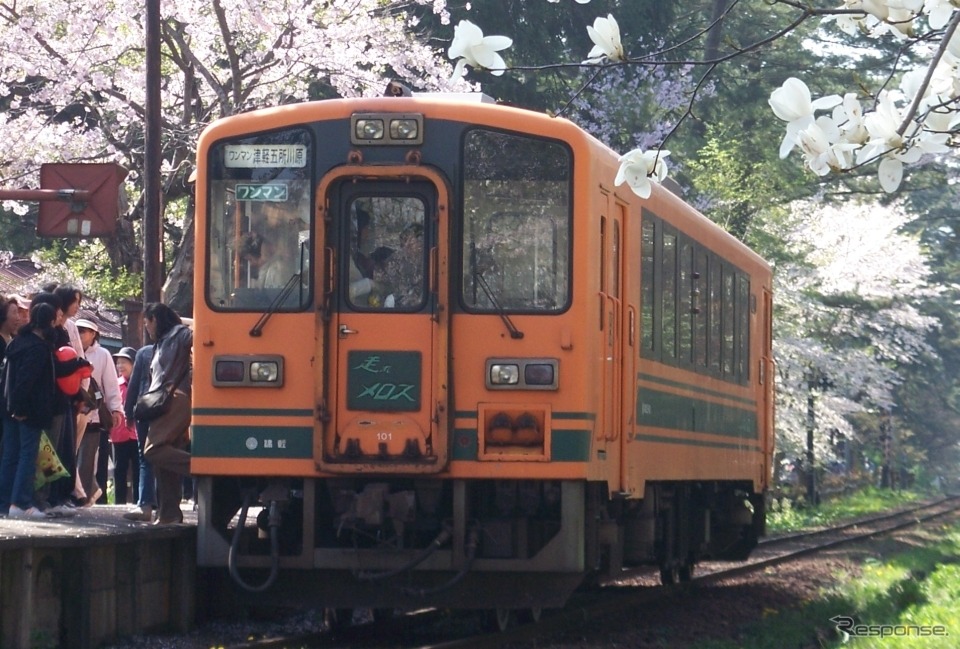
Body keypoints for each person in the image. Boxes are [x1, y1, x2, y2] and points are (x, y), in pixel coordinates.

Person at [0, 302, 59, 518]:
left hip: (7, 407)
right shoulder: (38, 348)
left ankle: (4, 502)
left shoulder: (16, 343)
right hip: (28, 410)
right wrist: (21, 407)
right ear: (50, 322)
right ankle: (21, 502)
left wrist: (12, 405)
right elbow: (27, 380)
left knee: (10, 455)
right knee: (27, 454)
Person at [142, 303, 192, 525]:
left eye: (147, 322)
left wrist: (184, 321)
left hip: (174, 399)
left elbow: (199, 332)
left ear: (155, 319)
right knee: (166, 461)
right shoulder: (163, 340)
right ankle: (169, 514)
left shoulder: (179, 334)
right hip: (168, 400)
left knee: (153, 451)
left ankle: (204, 467)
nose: (146, 327)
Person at [74, 318, 123, 507]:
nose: (80, 334)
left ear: (94, 334)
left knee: (87, 459)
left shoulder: (103, 355)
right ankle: (82, 493)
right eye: (77, 330)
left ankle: (84, 496)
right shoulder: (72, 350)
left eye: (84, 331)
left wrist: (116, 409)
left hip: (93, 415)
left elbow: (111, 384)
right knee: (71, 456)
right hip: (73, 412)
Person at [122, 343, 157, 522]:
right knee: (165, 456)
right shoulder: (178, 348)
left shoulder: (144, 352)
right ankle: (166, 506)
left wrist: (128, 412)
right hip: (170, 410)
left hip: (145, 408)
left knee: (145, 457)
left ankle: (145, 505)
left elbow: (134, 386)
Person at [111, 347, 140, 506]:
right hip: (119, 433)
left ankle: (139, 502)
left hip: (137, 433)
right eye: (118, 363)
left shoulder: (142, 383)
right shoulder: (115, 384)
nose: (120, 366)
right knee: (119, 470)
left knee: (138, 470)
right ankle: (119, 503)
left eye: (124, 362)